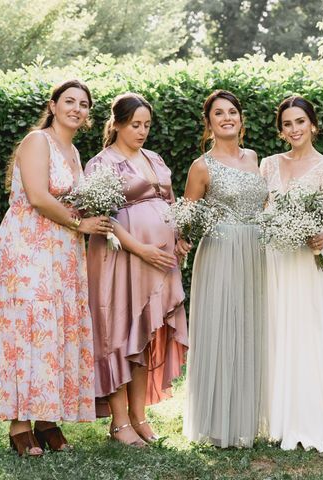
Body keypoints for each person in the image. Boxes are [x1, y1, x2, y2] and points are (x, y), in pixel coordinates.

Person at [0, 79, 111, 456]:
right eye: (69, 101)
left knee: (55, 328)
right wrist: (80, 224)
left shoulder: (73, 152)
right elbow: (39, 197)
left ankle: (46, 420)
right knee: (29, 325)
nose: (77, 108)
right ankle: (19, 425)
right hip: (29, 246)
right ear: (53, 106)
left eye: (83, 104)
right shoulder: (36, 141)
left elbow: (73, 202)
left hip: (64, 251)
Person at [86, 93, 188, 447]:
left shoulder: (154, 158)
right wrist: (141, 248)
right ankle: (119, 422)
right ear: (116, 124)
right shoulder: (101, 164)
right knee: (119, 332)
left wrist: (179, 236)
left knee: (144, 334)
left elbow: (170, 203)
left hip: (159, 263)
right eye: (135, 125)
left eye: (146, 125)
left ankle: (140, 416)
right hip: (122, 259)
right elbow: (104, 218)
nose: (142, 131)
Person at [260, 96, 323, 451]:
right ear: (281, 131)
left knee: (308, 331)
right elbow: (261, 210)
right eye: (287, 124)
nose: (294, 129)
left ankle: (311, 414)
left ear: (313, 124)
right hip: (276, 259)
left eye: (300, 121)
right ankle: (279, 417)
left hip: (309, 261)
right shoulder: (267, 165)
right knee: (277, 329)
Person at [180, 90, 268, 448]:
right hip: (220, 250)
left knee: (250, 328)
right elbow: (188, 218)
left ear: (241, 119)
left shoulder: (255, 158)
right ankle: (216, 422)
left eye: (233, 111)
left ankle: (246, 419)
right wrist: (184, 238)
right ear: (209, 122)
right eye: (219, 113)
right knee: (220, 328)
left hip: (256, 250)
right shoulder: (202, 166)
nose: (227, 117)